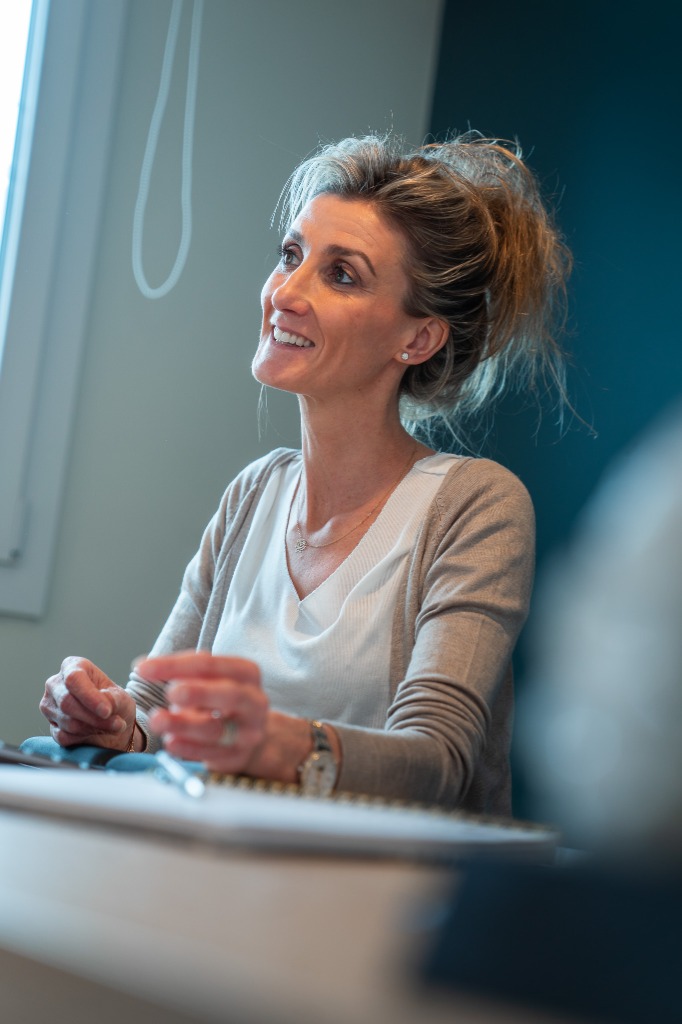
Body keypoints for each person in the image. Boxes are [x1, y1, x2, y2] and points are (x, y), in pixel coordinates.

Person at [37, 132, 571, 814]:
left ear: (418, 338)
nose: (285, 291)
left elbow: (438, 763)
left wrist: (278, 745)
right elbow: (154, 713)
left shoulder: (477, 507)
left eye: (341, 273)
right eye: (291, 256)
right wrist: (116, 722)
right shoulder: (254, 493)